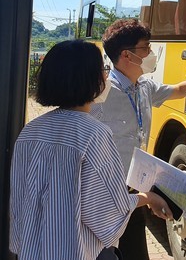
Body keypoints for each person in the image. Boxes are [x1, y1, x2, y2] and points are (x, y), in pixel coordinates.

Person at [9, 40, 172, 260]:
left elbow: (19, 202)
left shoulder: (30, 132)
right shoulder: (94, 133)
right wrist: (148, 197)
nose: (106, 76)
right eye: (103, 70)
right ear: (91, 79)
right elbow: (108, 212)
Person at [91, 18, 186, 260]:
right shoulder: (101, 92)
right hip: (105, 196)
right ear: (127, 55)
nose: (152, 53)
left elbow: (180, 90)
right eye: (146, 47)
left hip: (133, 191)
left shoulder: (144, 87)